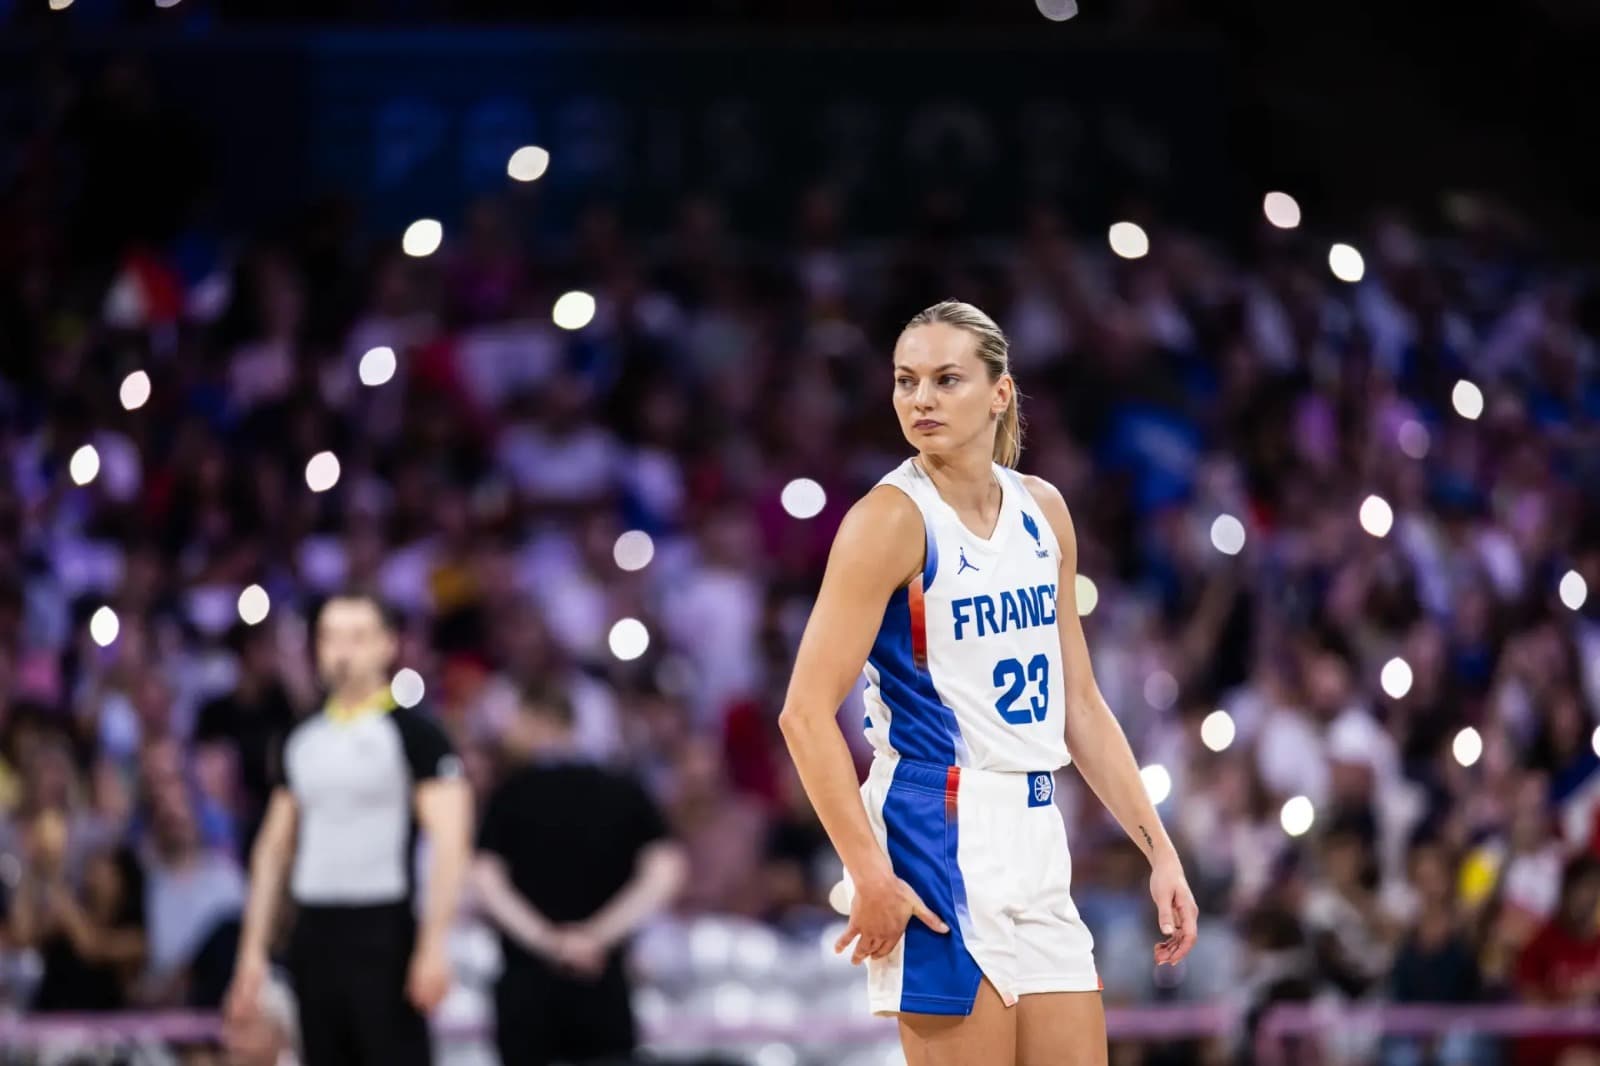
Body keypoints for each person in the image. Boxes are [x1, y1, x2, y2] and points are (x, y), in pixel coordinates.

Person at [778, 300, 1198, 1065]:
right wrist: (868, 869)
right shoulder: (890, 520)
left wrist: (1159, 851)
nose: (921, 399)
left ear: (999, 392)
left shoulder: (1045, 512)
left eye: (946, 379)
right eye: (907, 381)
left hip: (1039, 831)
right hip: (938, 830)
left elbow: (1080, 704)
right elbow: (804, 713)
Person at [224, 592, 473, 1066]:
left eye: (357, 637)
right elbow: (273, 850)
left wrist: (434, 944)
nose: (342, 651)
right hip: (314, 930)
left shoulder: (415, 734)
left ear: (387, 645)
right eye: (330, 637)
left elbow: (451, 842)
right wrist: (251, 952)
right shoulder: (301, 738)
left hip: (383, 929)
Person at [473, 684, 687, 1066]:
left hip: (528, 985)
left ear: (541, 720)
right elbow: (666, 871)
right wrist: (595, 936)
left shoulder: (510, 793)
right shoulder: (622, 790)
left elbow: (486, 879)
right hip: (601, 979)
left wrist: (548, 941)